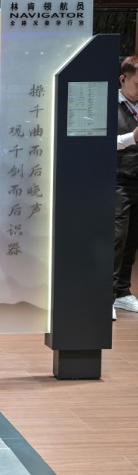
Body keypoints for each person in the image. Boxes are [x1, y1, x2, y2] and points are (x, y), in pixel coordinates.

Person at [114, 55, 138, 320]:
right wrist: (132, 137)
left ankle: (122, 292)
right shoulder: (109, 106)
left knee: (132, 239)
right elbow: (101, 141)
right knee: (116, 238)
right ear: (123, 79)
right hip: (118, 180)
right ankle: (106, 295)